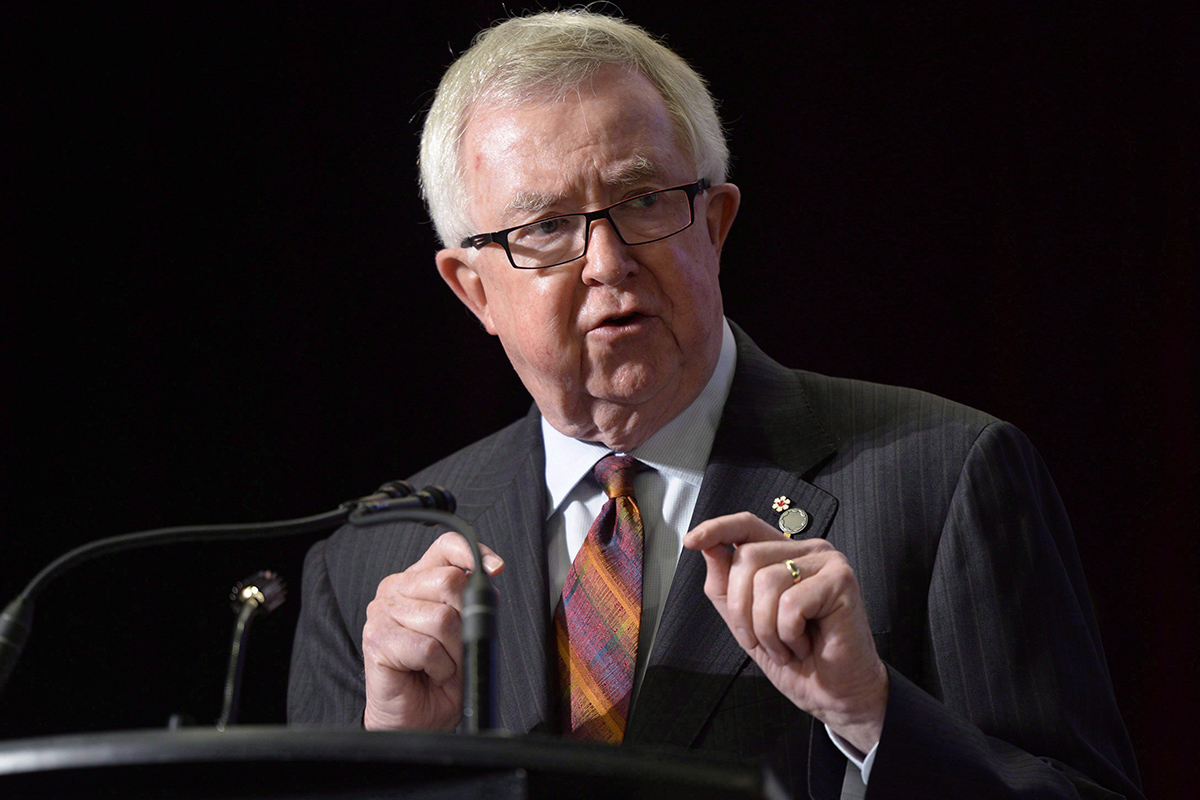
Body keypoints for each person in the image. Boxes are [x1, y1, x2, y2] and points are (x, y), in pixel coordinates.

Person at [288, 10, 1142, 798]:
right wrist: (397, 764)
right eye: (546, 226)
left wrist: (872, 718)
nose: (608, 262)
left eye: (645, 201)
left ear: (716, 223)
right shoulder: (371, 565)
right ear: (472, 289)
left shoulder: (944, 476)